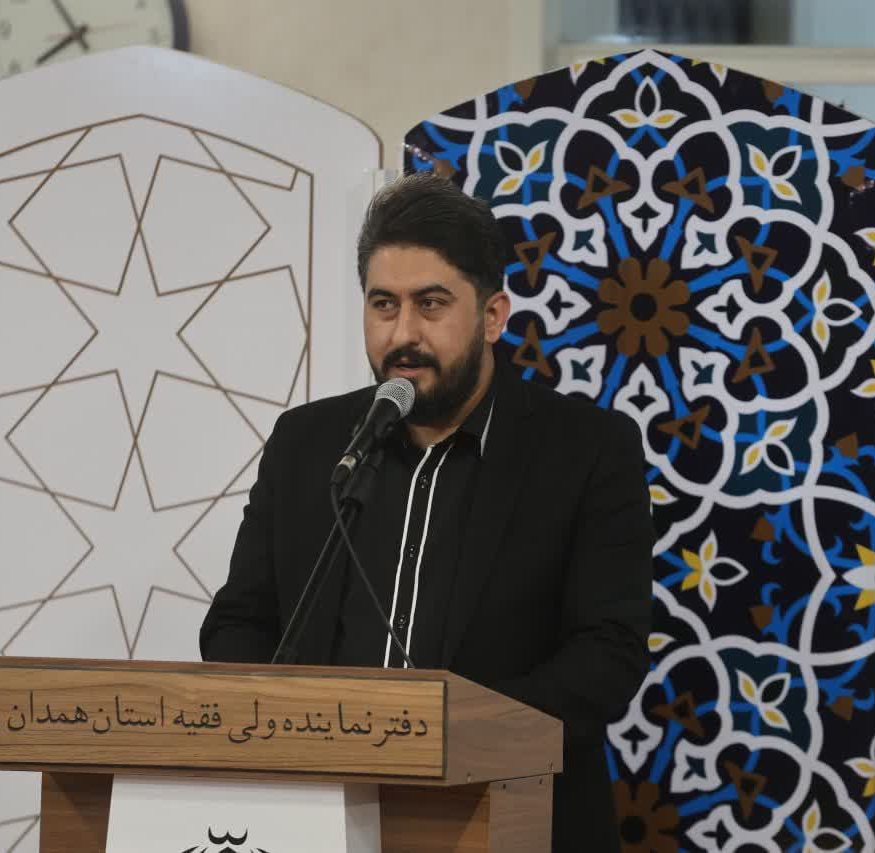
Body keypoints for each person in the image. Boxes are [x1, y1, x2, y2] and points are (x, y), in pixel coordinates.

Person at [200, 172, 654, 851]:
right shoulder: (307, 445)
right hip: (318, 821)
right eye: (383, 304)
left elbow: (606, 656)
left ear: (492, 316)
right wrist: (286, 733)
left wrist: (442, 737)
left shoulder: (586, 451)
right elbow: (238, 624)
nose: (403, 334)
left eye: (431, 304)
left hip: (508, 817)